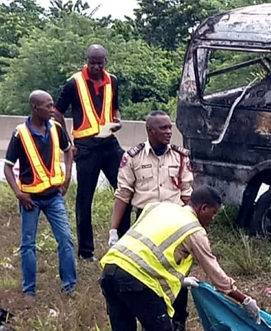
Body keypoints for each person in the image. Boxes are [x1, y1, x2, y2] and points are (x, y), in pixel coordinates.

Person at [100, 186, 261, 331]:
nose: (213, 219)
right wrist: (245, 300)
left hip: (110, 270)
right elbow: (217, 277)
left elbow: (149, 248)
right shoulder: (193, 230)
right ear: (203, 208)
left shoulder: (158, 207)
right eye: (213, 213)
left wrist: (179, 279)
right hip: (138, 281)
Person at [107, 111, 194, 331]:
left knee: (177, 276)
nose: (168, 132)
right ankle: (149, 318)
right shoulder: (133, 157)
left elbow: (187, 195)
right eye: (163, 128)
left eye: (169, 127)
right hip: (145, 223)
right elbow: (123, 195)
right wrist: (114, 230)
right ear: (149, 130)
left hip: (174, 223)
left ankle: (177, 322)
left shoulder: (180, 157)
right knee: (145, 273)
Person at [53, 44, 131, 261]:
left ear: (106, 61)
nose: (96, 66)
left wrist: (117, 120)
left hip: (109, 143)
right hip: (85, 146)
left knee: (125, 190)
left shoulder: (112, 81)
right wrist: (68, 143)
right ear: (86, 61)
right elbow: (56, 112)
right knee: (85, 199)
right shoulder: (73, 83)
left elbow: (115, 108)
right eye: (92, 62)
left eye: (100, 62)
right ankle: (86, 253)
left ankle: (123, 244)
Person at [3, 90, 77, 297]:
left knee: (66, 239)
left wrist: (68, 175)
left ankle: (69, 286)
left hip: (54, 196)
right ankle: (29, 291)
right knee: (28, 244)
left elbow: (68, 150)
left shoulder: (56, 128)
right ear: (35, 108)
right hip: (30, 200)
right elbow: (7, 168)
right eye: (47, 106)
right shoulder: (20, 134)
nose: (52, 109)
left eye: (52, 104)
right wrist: (18, 193)